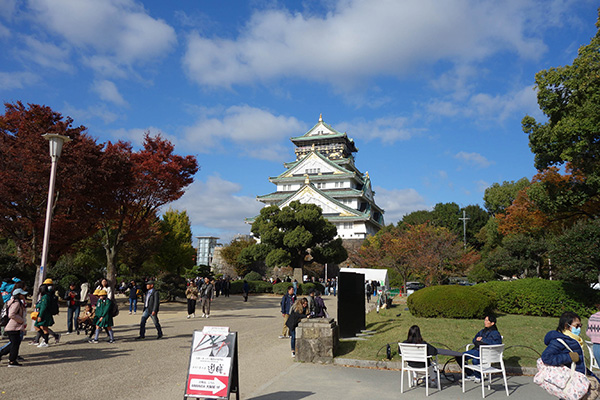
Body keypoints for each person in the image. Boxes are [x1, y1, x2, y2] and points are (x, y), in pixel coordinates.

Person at [543, 311, 598, 378]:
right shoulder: (559, 341)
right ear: (566, 326)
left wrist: (594, 377)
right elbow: (546, 357)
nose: (579, 329)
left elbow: (579, 365)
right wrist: (569, 357)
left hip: (578, 378)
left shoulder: (575, 341)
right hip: (568, 380)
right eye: (577, 326)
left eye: (580, 326)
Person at [457, 314, 502, 383]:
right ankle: (471, 374)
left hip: (485, 352)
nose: (485, 322)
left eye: (487, 320)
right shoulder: (482, 331)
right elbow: (474, 339)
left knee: (475, 360)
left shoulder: (495, 333)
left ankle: (478, 376)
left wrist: (483, 340)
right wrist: (476, 339)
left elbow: (498, 343)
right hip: (476, 350)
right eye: (485, 320)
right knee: (459, 357)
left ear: (492, 323)